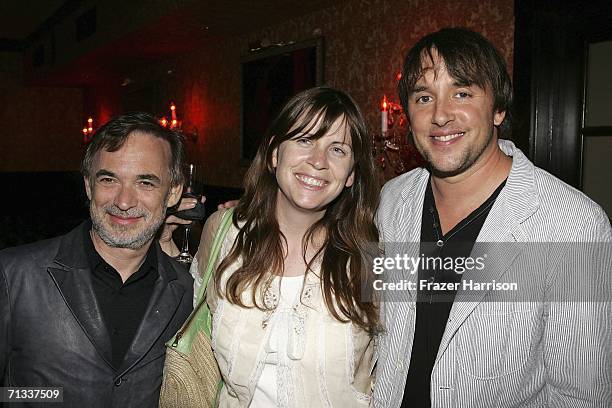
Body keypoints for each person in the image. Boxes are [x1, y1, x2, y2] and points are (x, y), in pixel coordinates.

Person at [373, 27, 612, 408]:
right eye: (423, 97)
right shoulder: (392, 200)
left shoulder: (574, 224)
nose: (440, 115)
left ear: (499, 107)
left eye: (462, 93)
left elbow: (581, 396)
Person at [164, 86, 381, 406]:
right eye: (305, 140)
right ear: (274, 154)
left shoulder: (370, 255)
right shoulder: (222, 234)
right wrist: (163, 239)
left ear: (350, 174)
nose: (318, 161)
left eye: (337, 150)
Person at [0, 112, 194, 407]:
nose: (124, 201)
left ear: (173, 192)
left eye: (145, 183)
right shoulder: (14, 275)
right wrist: (49, 397)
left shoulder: (185, 289)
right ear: (89, 185)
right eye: (109, 179)